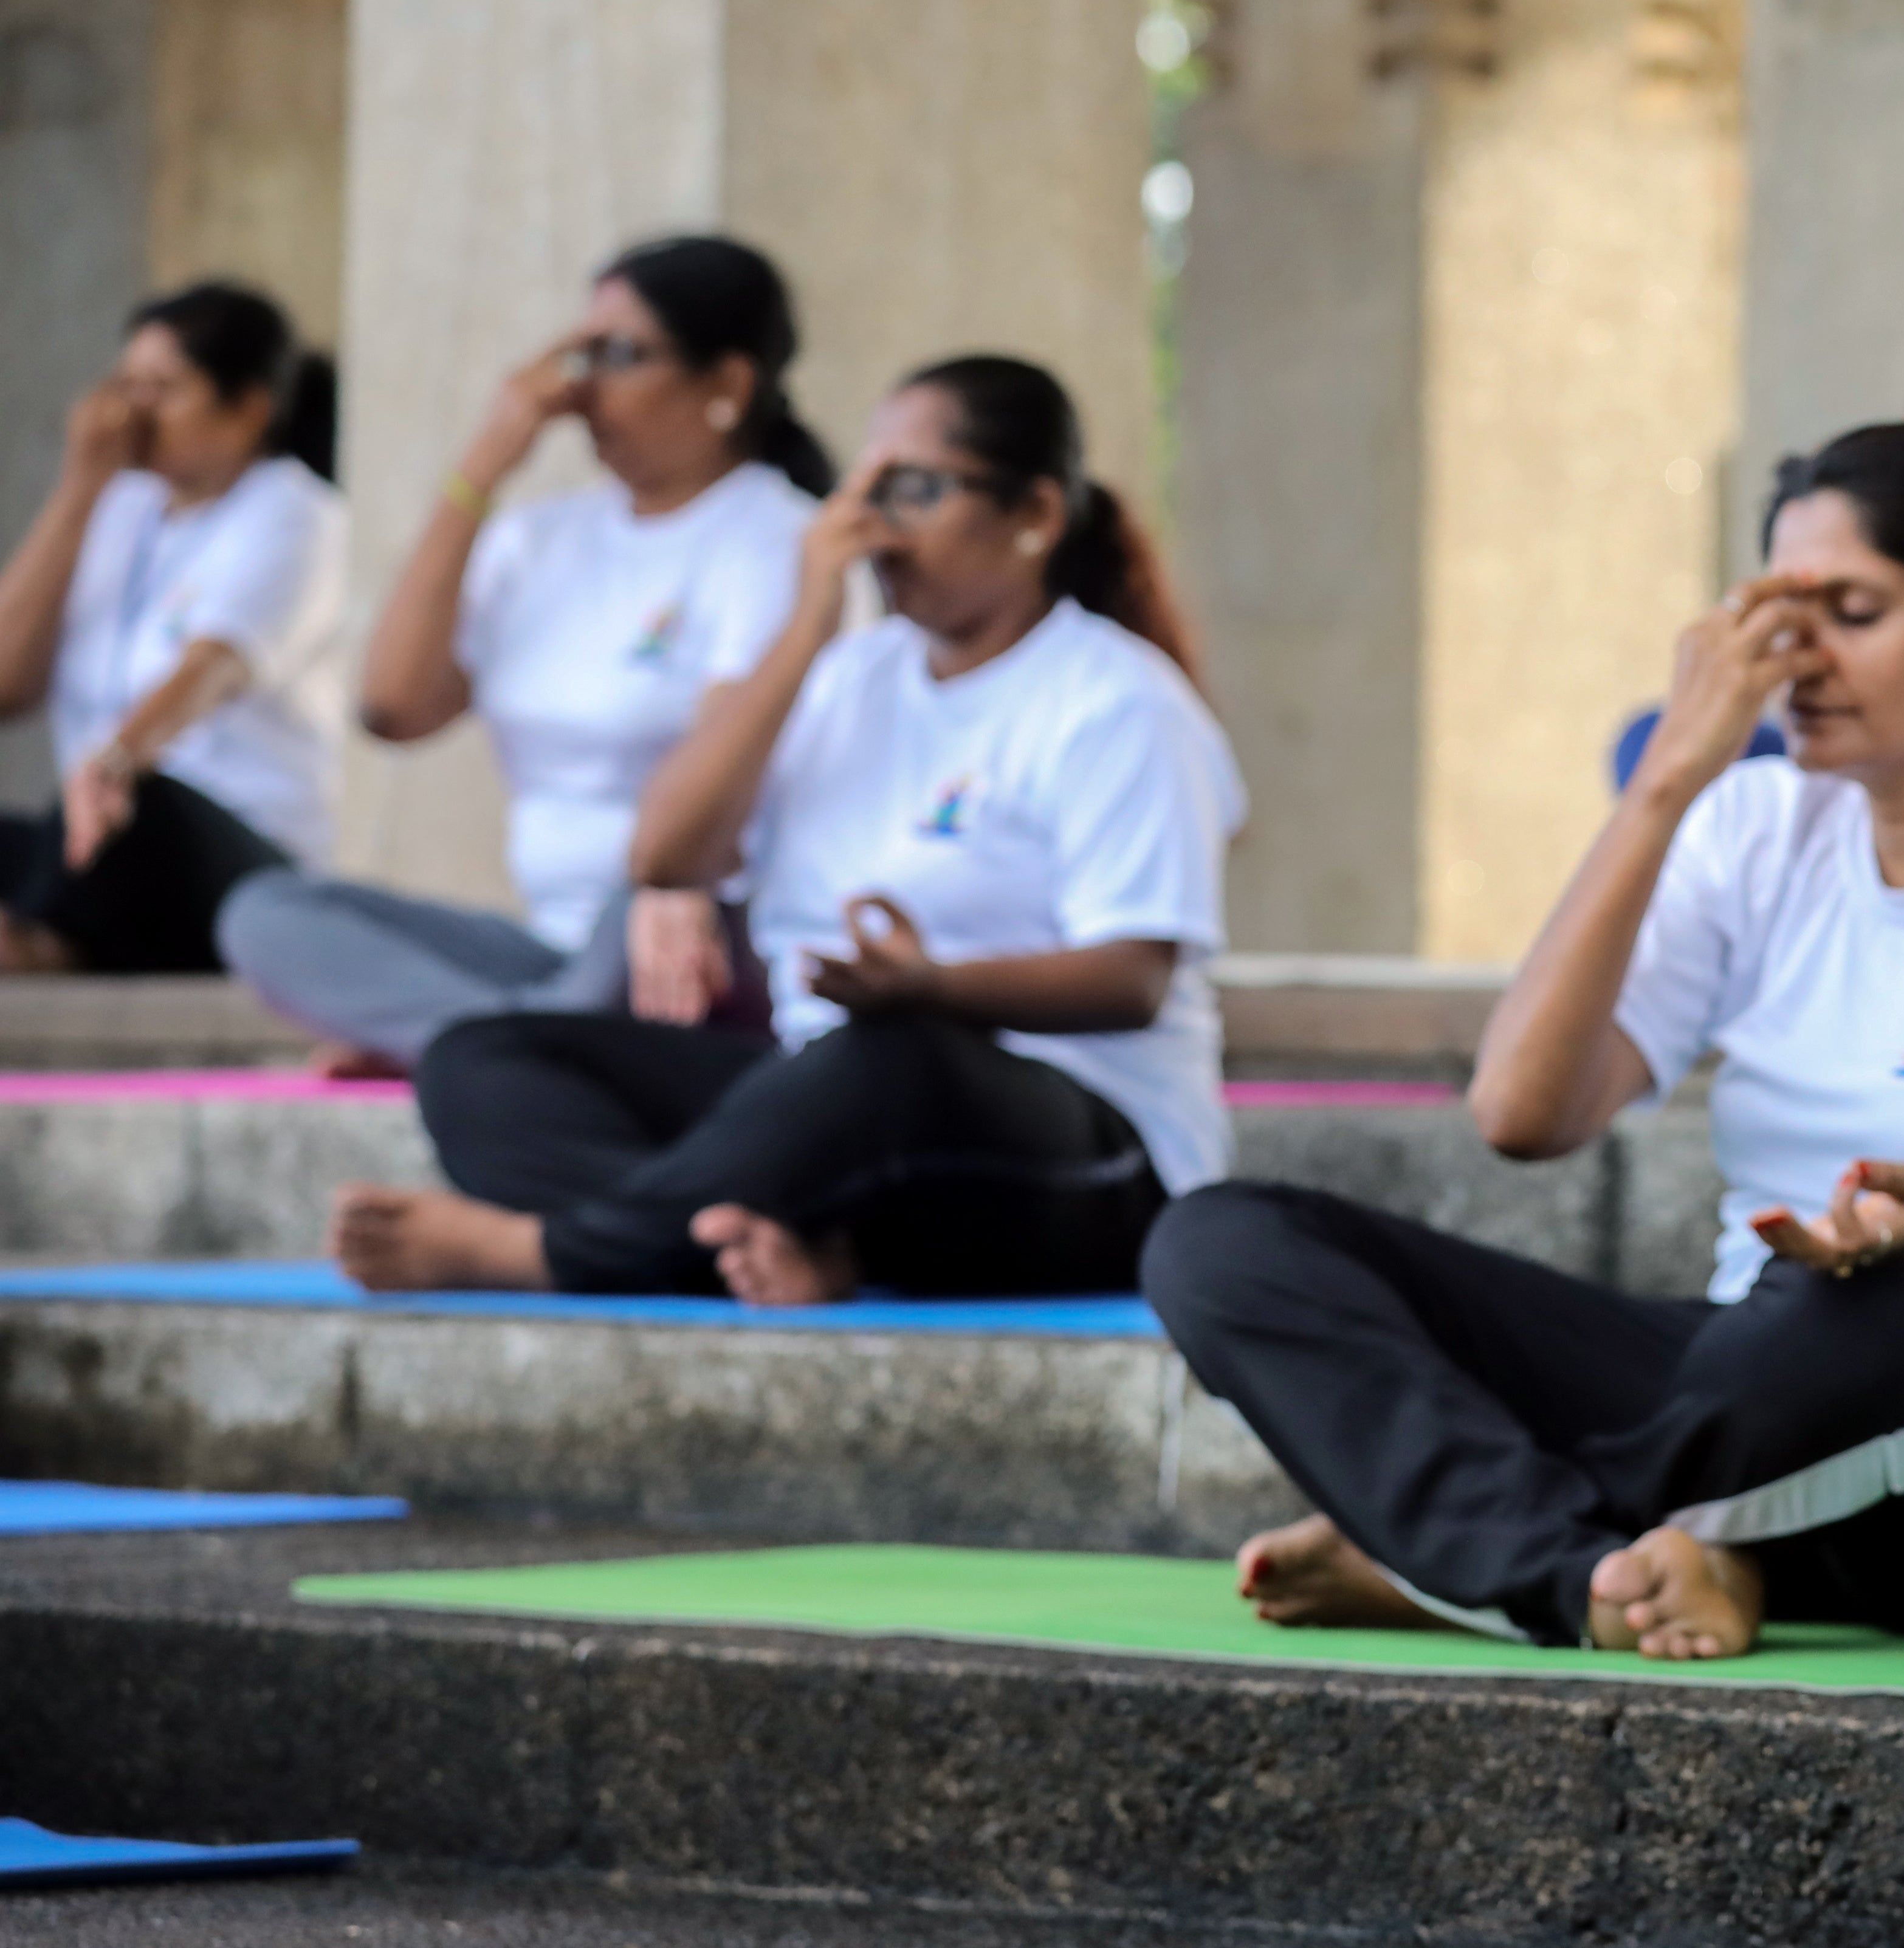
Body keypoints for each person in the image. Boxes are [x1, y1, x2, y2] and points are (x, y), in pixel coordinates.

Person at [1147, 421, 1904, 1661]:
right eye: (1777, 609)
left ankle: (1465, 1552)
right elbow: (1522, 1110)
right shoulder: (1753, 825)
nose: (1796, 658)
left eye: (1854, 611)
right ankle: (1575, 1568)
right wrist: (1667, 774)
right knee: (1223, 1240)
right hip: (1761, 1393)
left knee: (1891, 1304)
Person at [326, 355, 1241, 1305]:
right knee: (487, 1060)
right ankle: (775, 1247)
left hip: (1084, 1153)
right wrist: (807, 625)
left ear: (1036, 517)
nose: (877, 525)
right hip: (830, 1114)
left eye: (917, 490)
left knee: (889, 1060)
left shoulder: (1116, 701)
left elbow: (1132, 978)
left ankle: (552, 1254)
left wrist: (931, 987)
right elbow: (664, 856)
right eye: (865, 488)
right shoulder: (849, 678)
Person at [220, 237, 827, 1069]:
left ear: (726, 383)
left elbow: (709, 807)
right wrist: (484, 463)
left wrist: (668, 887)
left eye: (620, 356)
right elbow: (394, 707)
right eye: (578, 355)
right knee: (266, 913)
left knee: (634, 931)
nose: (579, 389)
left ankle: (470, 1040)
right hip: (555, 952)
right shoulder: (540, 540)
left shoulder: (778, 538)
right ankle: (510, 1039)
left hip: (698, 927)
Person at [0, 281, 343, 973]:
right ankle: (41, 934)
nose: (133, 411)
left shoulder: (294, 512)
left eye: (162, 388)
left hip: (236, 852)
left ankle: (37, 944)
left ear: (248, 408)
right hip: (96, 830)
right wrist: (77, 490)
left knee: (143, 809)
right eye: (125, 385)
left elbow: (212, 666)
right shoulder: (121, 508)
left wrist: (119, 759)